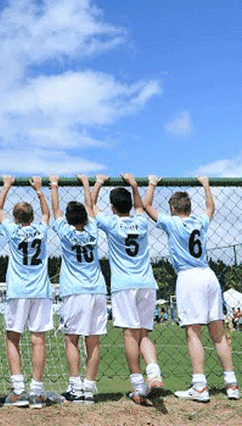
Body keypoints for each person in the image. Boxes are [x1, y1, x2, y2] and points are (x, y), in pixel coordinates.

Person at [143, 175, 239, 402]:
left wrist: (152, 184)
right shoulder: (200, 221)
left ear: (174, 208)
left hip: (188, 277)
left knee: (193, 332)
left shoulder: (172, 222)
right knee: (218, 333)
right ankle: (232, 384)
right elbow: (210, 207)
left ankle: (199, 386)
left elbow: (147, 206)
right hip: (208, 275)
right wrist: (206, 185)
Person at [92, 173, 164, 405]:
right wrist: (139, 185)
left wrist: (97, 183)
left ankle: (138, 386)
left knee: (130, 334)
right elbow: (142, 206)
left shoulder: (111, 223)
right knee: (144, 333)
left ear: (113, 207)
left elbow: (90, 206)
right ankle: (154, 373)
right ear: (131, 205)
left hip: (124, 286)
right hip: (146, 283)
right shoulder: (142, 222)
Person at [0, 175, 53, 409]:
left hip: (18, 290)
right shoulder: (41, 230)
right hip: (41, 290)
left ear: (16, 218)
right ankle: (36, 392)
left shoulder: (12, 230)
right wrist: (39, 190)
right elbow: (46, 215)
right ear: (32, 217)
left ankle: (18, 391)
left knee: (13, 337)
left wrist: (6, 186)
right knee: (38, 339)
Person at [50, 174, 107, 404]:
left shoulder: (64, 232)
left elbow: (54, 210)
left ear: (68, 218)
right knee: (92, 340)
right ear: (85, 216)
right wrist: (90, 184)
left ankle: (75, 386)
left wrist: (54, 185)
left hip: (75, 291)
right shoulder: (92, 230)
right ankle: (89, 388)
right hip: (97, 289)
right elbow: (91, 206)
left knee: (71, 338)